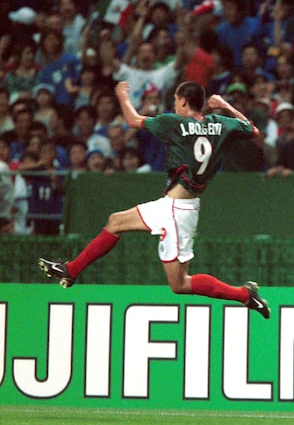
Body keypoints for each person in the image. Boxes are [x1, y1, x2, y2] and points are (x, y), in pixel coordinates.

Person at [38, 80, 270, 319]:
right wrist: (225, 105)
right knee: (116, 221)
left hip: (178, 210)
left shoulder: (174, 122)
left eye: (175, 101)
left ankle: (244, 294)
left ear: (182, 101)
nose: (175, 105)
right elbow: (252, 129)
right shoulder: (219, 124)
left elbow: (132, 120)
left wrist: (122, 95)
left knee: (179, 284)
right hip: (172, 204)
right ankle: (71, 270)